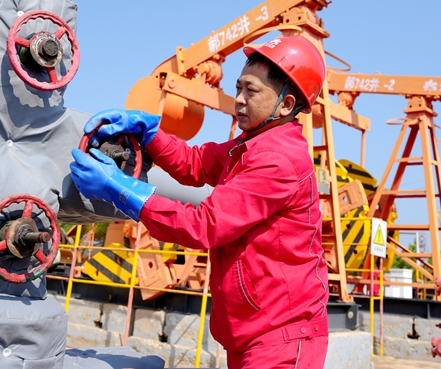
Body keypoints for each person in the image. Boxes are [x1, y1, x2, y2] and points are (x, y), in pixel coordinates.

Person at [70, 36, 330, 368]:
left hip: (281, 338)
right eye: (238, 88)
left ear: (286, 103)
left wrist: (119, 189)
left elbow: (203, 225)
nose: (238, 100)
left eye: (251, 92)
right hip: (255, 332)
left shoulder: (278, 160)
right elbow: (196, 164)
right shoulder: (250, 146)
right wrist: (151, 134)